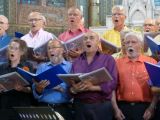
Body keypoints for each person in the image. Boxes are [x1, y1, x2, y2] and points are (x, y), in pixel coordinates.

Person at [69, 31, 118, 120]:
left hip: (101, 106)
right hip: (80, 106)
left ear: (98, 43)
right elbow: (71, 84)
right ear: (82, 44)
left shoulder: (108, 59)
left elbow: (113, 83)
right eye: (85, 39)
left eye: (91, 38)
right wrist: (74, 89)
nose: (88, 40)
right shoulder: (76, 62)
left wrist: (93, 87)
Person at [112, 32, 157, 120]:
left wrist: (152, 108)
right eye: (127, 42)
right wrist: (115, 109)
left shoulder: (151, 62)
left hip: (145, 108)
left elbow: (156, 89)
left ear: (140, 45)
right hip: (122, 108)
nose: (130, 45)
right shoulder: (117, 63)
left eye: (133, 42)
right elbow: (112, 88)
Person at [32, 39, 73, 120]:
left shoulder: (71, 67)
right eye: (49, 48)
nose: (51, 50)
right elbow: (35, 94)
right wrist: (38, 89)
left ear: (62, 50)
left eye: (54, 47)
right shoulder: (41, 67)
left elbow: (74, 92)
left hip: (63, 109)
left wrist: (61, 89)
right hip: (43, 109)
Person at [0, 38, 35, 120]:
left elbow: (32, 89)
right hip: (4, 106)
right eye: (10, 48)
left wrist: (23, 89)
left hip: (22, 106)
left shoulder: (28, 66)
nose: (12, 51)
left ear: (22, 52)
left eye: (16, 48)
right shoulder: (2, 67)